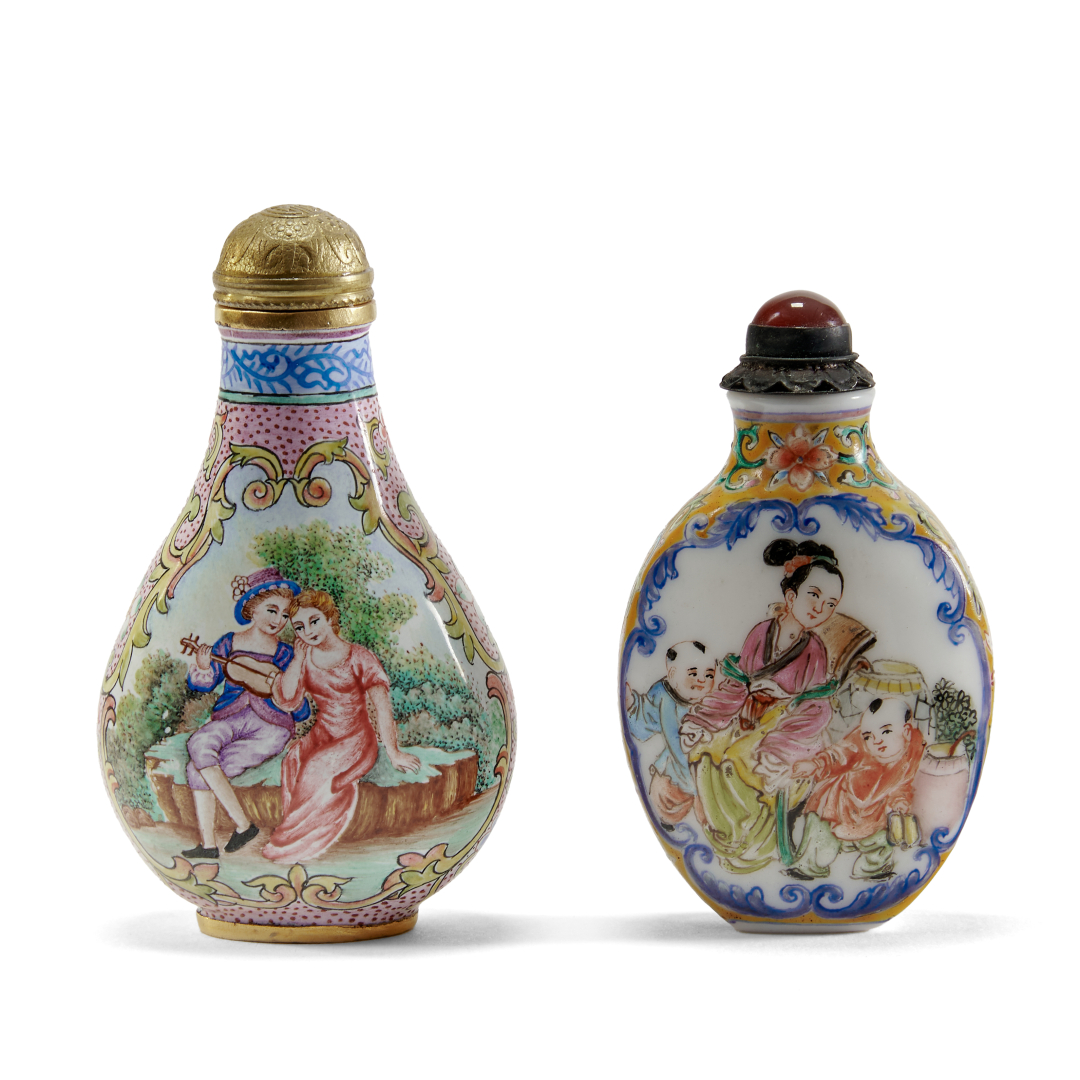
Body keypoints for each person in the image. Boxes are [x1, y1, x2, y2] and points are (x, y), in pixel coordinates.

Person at [684, 539, 843, 872]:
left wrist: (781, 728)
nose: (820, 608)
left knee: (742, 764)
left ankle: (755, 845)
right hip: (745, 715)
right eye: (814, 595)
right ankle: (729, 838)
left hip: (788, 729)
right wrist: (704, 719)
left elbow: (816, 706)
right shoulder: (760, 633)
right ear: (791, 596)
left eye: (830, 603)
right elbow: (735, 683)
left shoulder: (814, 650)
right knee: (708, 755)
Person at [263, 589, 421, 863]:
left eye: (314, 621)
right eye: (299, 627)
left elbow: (382, 707)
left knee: (315, 769)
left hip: (355, 738)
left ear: (329, 618)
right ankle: (297, 830)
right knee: (293, 760)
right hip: (323, 733)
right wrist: (298, 659)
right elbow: (288, 699)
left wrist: (394, 752)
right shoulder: (306, 658)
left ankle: (294, 843)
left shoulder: (359, 657)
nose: (308, 631)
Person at [182, 568, 310, 860]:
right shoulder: (228, 644)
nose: (279, 620)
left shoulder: (285, 654)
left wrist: (286, 686)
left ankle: (222, 838)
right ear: (252, 608)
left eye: (285, 615)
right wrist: (203, 665)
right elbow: (206, 683)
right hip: (231, 716)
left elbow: (299, 706)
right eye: (272, 610)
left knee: (197, 770)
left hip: (271, 727)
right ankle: (227, 834)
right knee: (198, 746)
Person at [784, 696, 926, 880]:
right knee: (821, 838)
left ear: (906, 732)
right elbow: (839, 754)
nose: (876, 741)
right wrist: (816, 764)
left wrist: (899, 802)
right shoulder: (858, 744)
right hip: (840, 802)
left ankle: (872, 872)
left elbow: (903, 784)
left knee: (881, 840)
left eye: (886, 731)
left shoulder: (913, 752)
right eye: (868, 736)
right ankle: (808, 867)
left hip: (875, 810)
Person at [625, 641, 716, 829]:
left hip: (698, 758)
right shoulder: (664, 696)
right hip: (670, 761)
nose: (702, 681)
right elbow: (648, 721)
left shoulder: (706, 701)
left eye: (709, 675)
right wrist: (632, 704)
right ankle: (670, 822)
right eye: (693, 674)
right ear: (672, 674)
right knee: (668, 794)